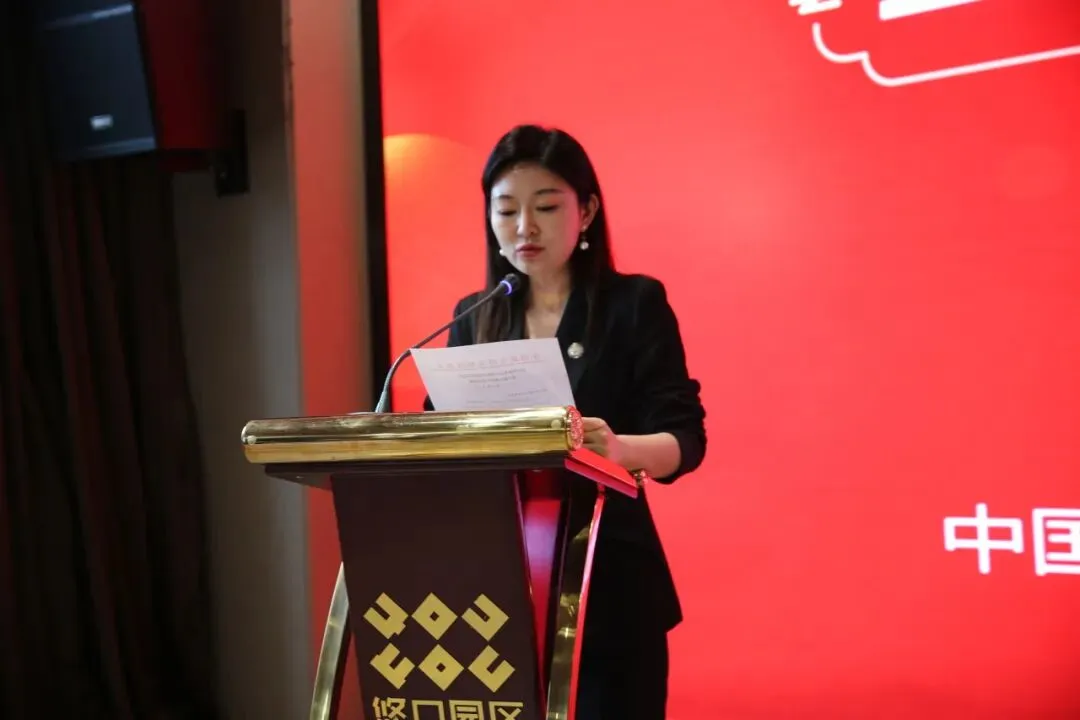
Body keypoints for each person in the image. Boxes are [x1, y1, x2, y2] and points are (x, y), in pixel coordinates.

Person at [438, 124, 706, 719]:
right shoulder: (474, 317)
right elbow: (445, 440)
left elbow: (686, 439)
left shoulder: (634, 304)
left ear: (586, 211)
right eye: (506, 210)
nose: (524, 228)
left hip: (609, 584)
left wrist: (620, 449)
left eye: (546, 207)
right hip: (497, 593)